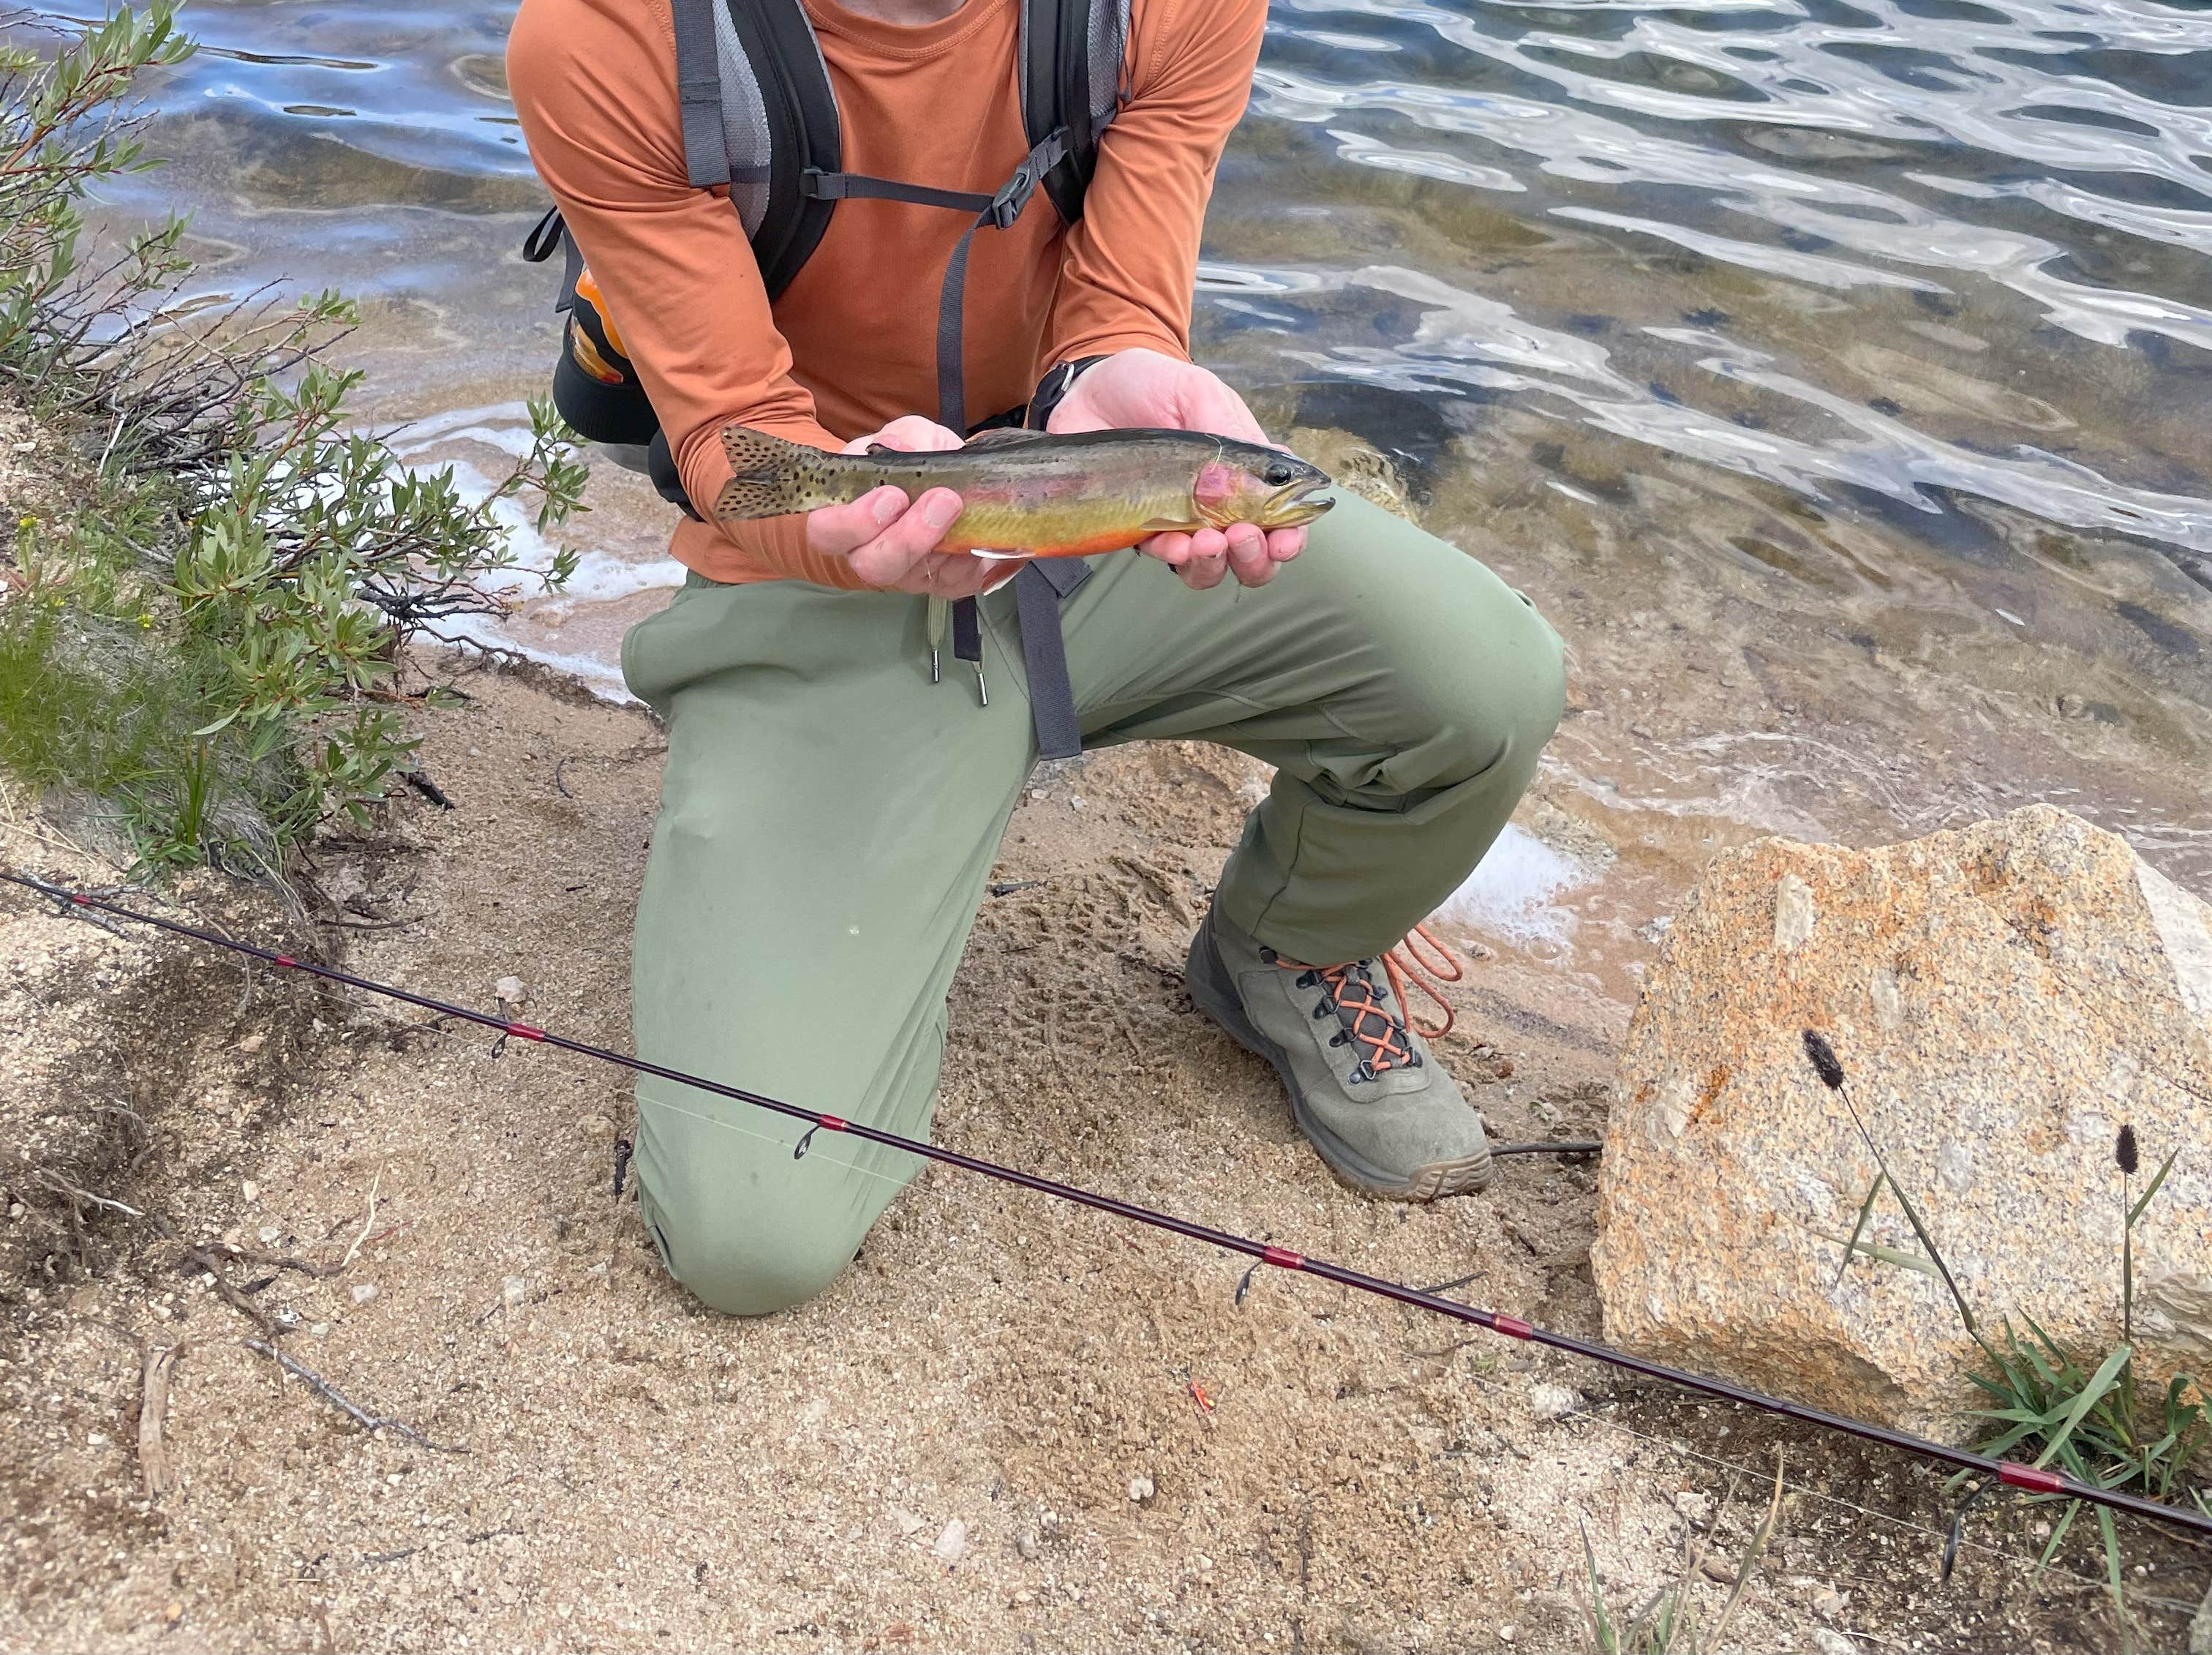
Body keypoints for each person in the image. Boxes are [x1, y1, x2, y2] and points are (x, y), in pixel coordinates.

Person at [506, 0, 1565, 1316]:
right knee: (750, 1228)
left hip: (1091, 518)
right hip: (825, 566)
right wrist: (849, 525)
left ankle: (1286, 950)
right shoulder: (609, 36)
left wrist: (1116, 371)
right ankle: (855, 887)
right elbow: (734, 437)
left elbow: (1118, 307)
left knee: (1487, 682)